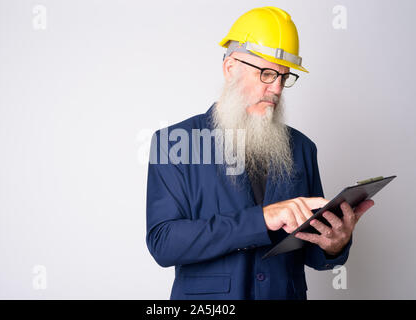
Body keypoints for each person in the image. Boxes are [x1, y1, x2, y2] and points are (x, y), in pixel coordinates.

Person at [145, 6, 374, 300]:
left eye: (284, 77)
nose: (277, 88)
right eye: (266, 74)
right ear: (230, 69)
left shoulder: (303, 148)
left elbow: (313, 253)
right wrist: (262, 219)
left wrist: (335, 244)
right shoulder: (174, 143)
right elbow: (164, 244)